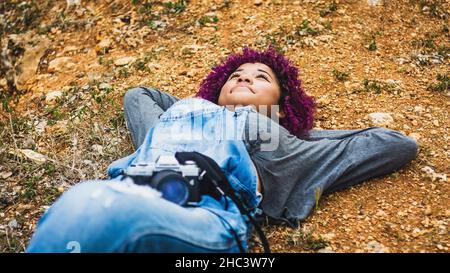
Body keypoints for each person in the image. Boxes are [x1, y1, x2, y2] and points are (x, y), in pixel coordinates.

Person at [26, 47, 418, 253]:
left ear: (282, 105)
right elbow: (138, 95)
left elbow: (397, 144)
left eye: (260, 77)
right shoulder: (174, 118)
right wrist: (203, 110)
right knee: (76, 212)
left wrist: (300, 133)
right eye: (236, 76)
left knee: (87, 208)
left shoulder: (280, 144)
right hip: (134, 190)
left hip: (207, 216)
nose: (246, 77)